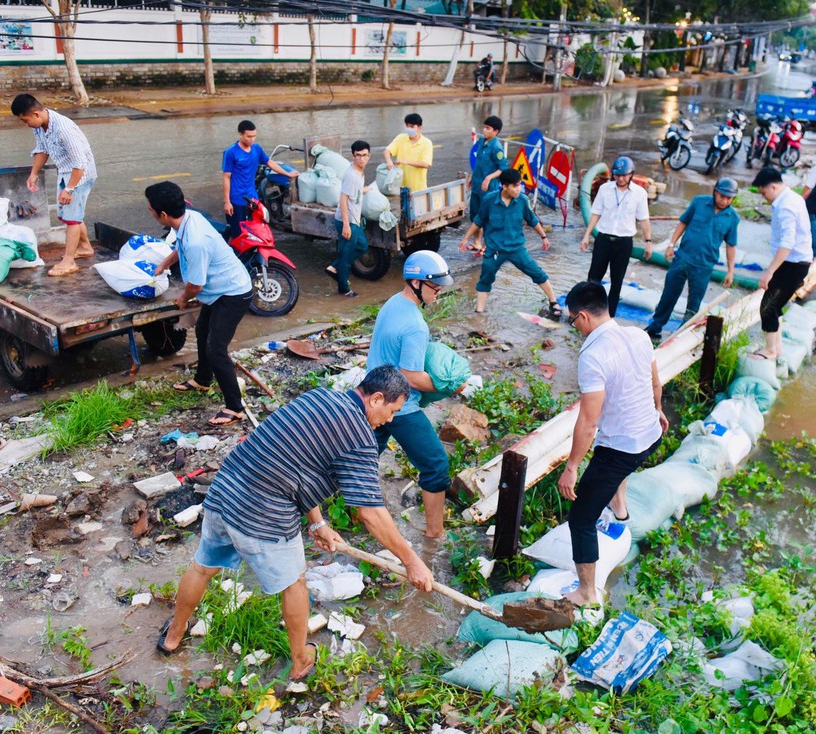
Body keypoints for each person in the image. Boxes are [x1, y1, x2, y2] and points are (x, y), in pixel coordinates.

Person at [156, 366, 434, 682]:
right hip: (264, 513)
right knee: (294, 584)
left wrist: (317, 523)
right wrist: (411, 561)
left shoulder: (320, 397)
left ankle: (173, 637)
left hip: (226, 489)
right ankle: (301, 659)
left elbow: (296, 461)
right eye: (392, 411)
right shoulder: (359, 437)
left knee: (203, 567)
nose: (390, 420)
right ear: (377, 398)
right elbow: (370, 512)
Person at [557, 281, 666, 606]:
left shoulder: (592, 355)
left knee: (581, 517)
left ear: (583, 317)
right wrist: (658, 411)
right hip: (651, 435)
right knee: (612, 461)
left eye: (573, 321)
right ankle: (619, 509)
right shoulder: (638, 334)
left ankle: (587, 592)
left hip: (624, 447)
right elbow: (654, 382)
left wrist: (571, 467)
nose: (574, 327)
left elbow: (589, 422)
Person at [366, 252, 456, 539]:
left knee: (363, 459)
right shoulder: (416, 326)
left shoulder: (394, 303)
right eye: (435, 287)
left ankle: (329, 506)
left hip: (372, 398)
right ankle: (434, 533)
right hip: (398, 408)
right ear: (416, 282)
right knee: (436, 465)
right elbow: (411, 376)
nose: (439, 292)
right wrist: (449, 385)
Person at [147, 181, 253, 426]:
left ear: (163, 214)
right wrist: (166, 263)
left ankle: (234, 408)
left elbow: (196, 285)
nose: (150, 212)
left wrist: (183, 299)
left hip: (233, 293)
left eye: (151, 210)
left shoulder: (195, 239)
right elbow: (180, 247)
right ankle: (202, 381)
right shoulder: (189, 218)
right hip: (220, 290)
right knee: (203, 330)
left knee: (216, 349)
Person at [644, 178, 741, 340]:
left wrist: (731, 271)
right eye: (722, 196)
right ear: (715, 192)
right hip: (682, 258)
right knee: (669, 295)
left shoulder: (732, 218)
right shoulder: (699, 203)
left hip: (704, 266)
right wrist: (671, 245)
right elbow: (683, 223)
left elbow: (731, 245)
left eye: (729, 198)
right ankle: (655, 327)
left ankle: (682, 335)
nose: (724, 201)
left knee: (694, 303)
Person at [12, 93, 97, 277]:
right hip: (66, 173)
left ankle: (69, 261)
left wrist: (70, 189)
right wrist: (34, 174)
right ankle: (85, 247)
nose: (25, 125)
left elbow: (80, 163)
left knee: (72, 217)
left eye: (25, 120)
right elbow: (42, 149)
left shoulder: (63, 129)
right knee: (68, 214)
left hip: (80, 175)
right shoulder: (40, 126)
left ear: (36, 114)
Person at [459, 168, 561, 318]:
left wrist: (544, 237)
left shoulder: (522, 201)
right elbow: (478, 220)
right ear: (504, 186)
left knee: (537, 273)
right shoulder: (490, 200)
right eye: (514, 186)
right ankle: (479, 312)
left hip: (516, 249)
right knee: (485, 279)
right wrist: (465, 239)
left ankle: (553, 302)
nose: (518, 189)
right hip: (495, 249)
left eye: (519, 185)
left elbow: (532, 220)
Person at [749, 167, 812, 361]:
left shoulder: (786, 206)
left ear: (774, 187)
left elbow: (787, 243)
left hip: (793, 264)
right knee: (775, 306)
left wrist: (769, 272)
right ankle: (777, 348)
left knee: (768, 307)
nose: (764, 197)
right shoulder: (792, 198)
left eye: (764, 193)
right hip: (795, 262)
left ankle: (770, 351)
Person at [580, 156, 653, 318]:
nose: (620, 179)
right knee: (593, 278)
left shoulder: (639, 194)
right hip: (603, 239)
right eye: (617, 175)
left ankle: (609, 316)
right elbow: (596, 213)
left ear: (631, 175)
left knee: (616, 281)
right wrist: (586, 236)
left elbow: (644, 219)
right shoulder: (605, 189)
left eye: (624, 175)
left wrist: (648, 242)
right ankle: (590, 312)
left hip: (624, 242)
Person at [222, 120, 298, 240]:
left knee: (255, 231)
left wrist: (287, 174)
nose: (252, 139)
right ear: (240, 135)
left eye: (254, 136)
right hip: (236, 199)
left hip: (253, 198)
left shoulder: (256, 148)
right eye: (249, 136)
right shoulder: (231, 153)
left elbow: (269, 162)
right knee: (237, 233)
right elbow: (226, 177)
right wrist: (227, 201)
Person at [326, 140, 374, 298]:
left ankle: (334, 267)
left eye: (365, 155)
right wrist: (346, 225)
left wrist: (364, 189)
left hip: (354, 220)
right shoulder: (352, 175)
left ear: (369, 156)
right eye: (358, 155)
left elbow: (355, 191)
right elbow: (343, 199)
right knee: (346, 256)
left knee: (362, 246)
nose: (362, 159)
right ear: (353, 156)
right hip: (347, 221)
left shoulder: (360, 172)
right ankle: (344, 289)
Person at [468, 115, 510, 233]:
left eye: (488, 128)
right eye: (484, 128)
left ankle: (487, 245)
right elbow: (479, 162)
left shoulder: (496, 147)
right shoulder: (482, 142)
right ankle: (477, 242)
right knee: (475, 215)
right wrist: (471, 177)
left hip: (488, 188)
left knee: (486, 216)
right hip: (477, 185)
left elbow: (503, 168)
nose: (484, 130)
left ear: (496, 131)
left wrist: (489, 178)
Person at [383, 113, 433, 192]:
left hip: (418, 188)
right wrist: (389, 161)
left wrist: (406, 162)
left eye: (412, 126)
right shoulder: (401, 138)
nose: (409, 129)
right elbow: (387, 151)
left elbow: (425, 164)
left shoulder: (426, 143)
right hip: (400, 187)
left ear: (420, 128)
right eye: (407, 126)